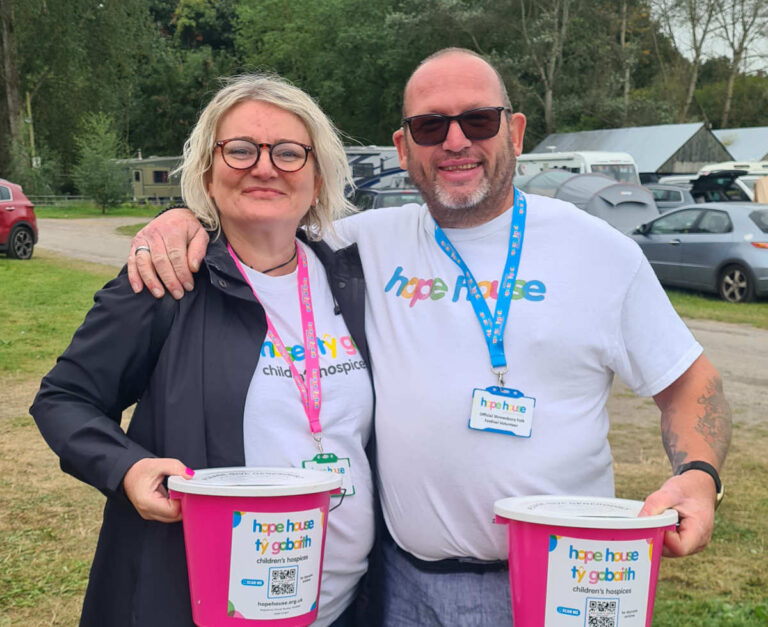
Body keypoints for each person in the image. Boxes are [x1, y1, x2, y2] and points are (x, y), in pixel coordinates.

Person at [126, 48, 731, 626]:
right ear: (403, 146)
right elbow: (263, 211)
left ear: (515, 131)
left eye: (479, 120)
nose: (457, 141)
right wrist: (187, 219)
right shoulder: (361, 242)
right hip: (403, 588)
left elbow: (689, 382)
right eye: (431, 126)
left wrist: (699, 477)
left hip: (559, 587)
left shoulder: (601, 253)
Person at [30, 74, 376, 627]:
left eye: (289, 152)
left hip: (343, 605)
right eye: (239, 150)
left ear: (317, 177)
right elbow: (64, 398)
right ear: (208, 176)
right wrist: (126, 468)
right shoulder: (168, 278)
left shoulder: (353, 279)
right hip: (202, 602)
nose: (264, 166)